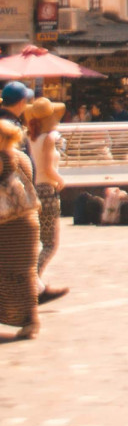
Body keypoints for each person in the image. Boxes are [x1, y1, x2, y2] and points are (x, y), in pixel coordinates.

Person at [25, 95, 69, 304]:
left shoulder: (29, 137)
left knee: (37, 241)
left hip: (33, 190)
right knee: (50, 243)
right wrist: (60, 180)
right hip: (47, 191)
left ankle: (32, 282)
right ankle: (34, 282)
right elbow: (48, 168)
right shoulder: (50, 138)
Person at [0, 115, 40, 340]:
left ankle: (29, 321)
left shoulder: (2, 158)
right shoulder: (21, 157)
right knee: (24, 276)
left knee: (10, 275)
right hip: (27, 221)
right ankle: (30, 321)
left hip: (7, 226)